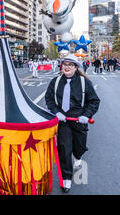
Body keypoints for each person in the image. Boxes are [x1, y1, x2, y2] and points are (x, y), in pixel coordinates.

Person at [44, 54, 100, 193]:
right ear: (61, 66)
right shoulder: (55, 81)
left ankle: (78, 155)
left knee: (79, 147)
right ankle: (67, 178)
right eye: (65, 64)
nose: (67, 67)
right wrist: (56, 112)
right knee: (64, 148)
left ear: (76, 67)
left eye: (70, 64)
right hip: (63, 120)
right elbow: (49, 98)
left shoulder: (83, 82)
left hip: (79, 119)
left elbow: (94, 101)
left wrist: (86, 116)